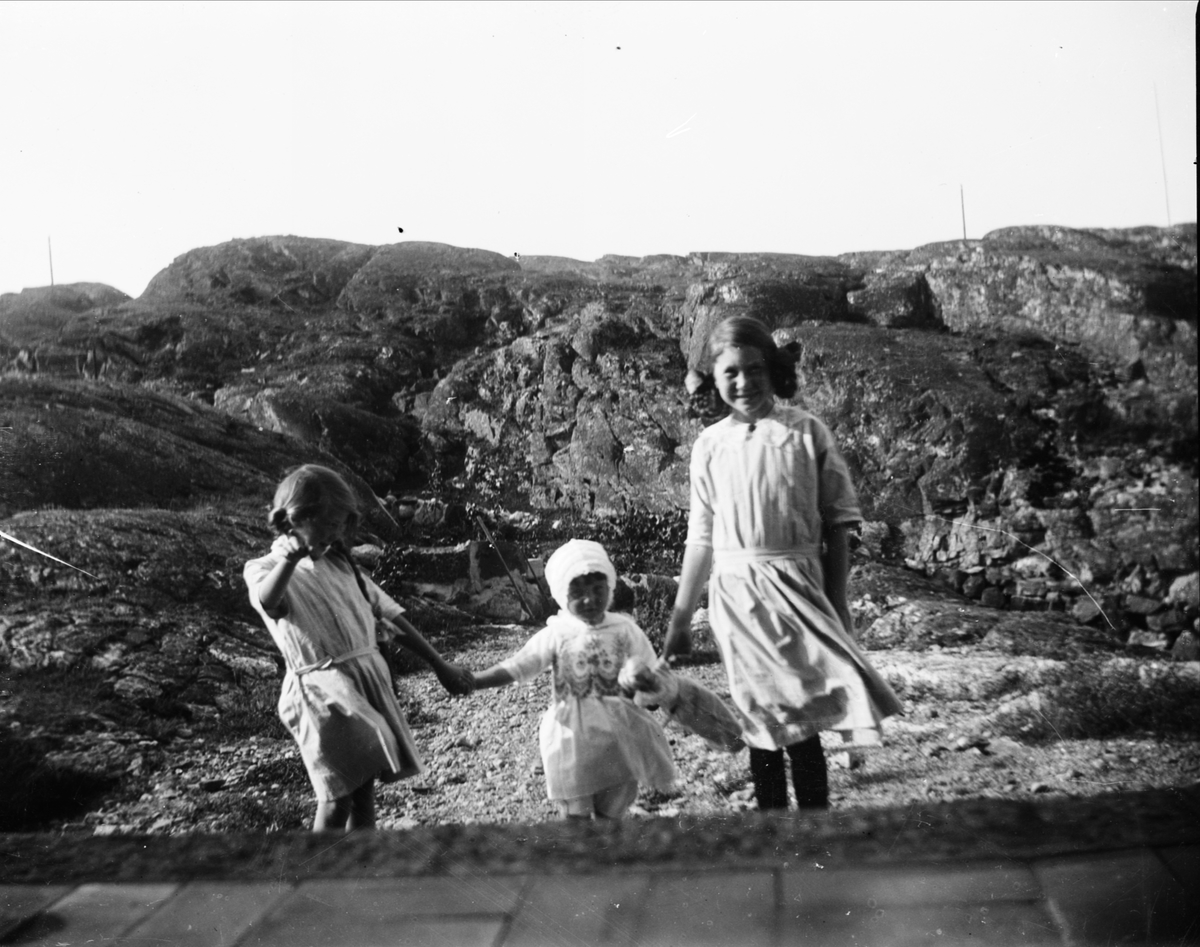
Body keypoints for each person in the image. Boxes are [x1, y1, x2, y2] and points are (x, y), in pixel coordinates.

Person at [662, 315, 903, 812]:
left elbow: (838, 523)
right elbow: (701, 539)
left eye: (755, 369)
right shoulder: (709, 446)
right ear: (715, 379)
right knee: (759, 718)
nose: (745, 382)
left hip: (797, 589)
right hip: (735, 597)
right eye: (731, 373)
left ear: (773, 370)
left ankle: (814, 825)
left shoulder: (805, 432)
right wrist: (681, 621)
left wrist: (838, 603)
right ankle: (771, 831)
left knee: (802, 712)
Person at [244, 464, 473, 832]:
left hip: (363, 683)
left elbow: (392, 617)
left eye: (339, 525)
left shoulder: (342, 567)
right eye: (326, 524)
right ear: (294, 520)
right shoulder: (265, 568)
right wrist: (289, 558)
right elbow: (269, 602)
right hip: (322, 695)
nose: (334, 533)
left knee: (363, 791)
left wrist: (439, 664)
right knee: (336, 798)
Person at [470, 539, 677, 820]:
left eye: (597, 589)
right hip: (572, 735)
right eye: (577, 592)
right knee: (574, 807)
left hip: (620, 733)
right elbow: (519, 666)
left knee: (614, 803)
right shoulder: (557, 633)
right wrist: (475, 680)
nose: (589, 599)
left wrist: (648, 686)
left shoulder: (625, 629)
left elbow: (651, 671)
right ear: (560, 594)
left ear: (610, 587)